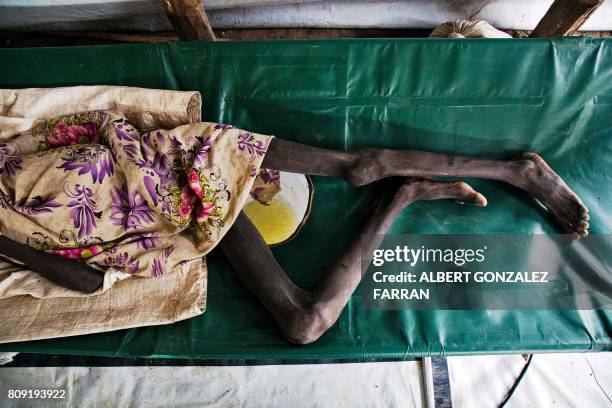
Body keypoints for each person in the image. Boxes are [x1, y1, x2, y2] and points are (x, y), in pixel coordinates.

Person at [0, 109, 589, 344]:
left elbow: (91, 129)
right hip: (180, 223)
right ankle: (404, 197)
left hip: (186, 162)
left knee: (362, 166)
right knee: (305, 324)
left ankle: (519, 172)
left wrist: (142, 148)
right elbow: (83, 283)